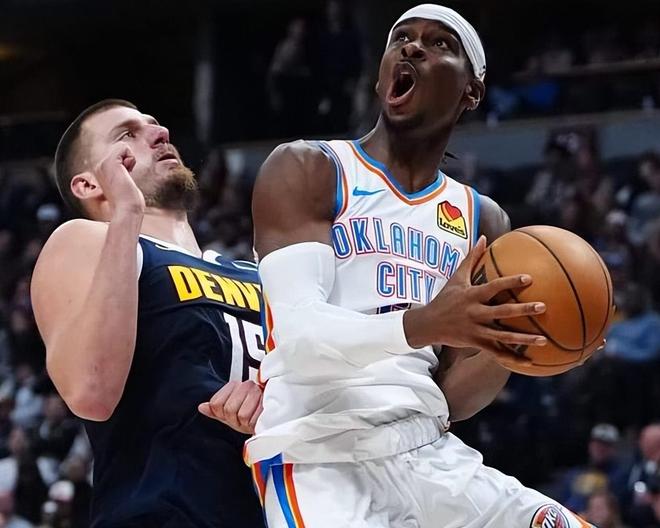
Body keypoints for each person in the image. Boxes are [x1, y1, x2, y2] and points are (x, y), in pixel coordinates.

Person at [239, 4, 600, 527]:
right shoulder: (310, 167)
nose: (412, 47)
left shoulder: (482, 219)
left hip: (428, 450)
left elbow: (454, 397)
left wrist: (525, 343)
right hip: (321, 453)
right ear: (381, 76)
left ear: (471, 92)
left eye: (439, 44)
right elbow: (298, 335)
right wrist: (426, 322)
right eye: (401, 38)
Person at [30, 100, 266, 527]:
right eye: (127, 134)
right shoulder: (84, 240)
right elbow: (91, 390)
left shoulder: (254, 271)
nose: (160, 134)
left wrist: (273, 400)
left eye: (155, 126)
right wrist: (127, 212)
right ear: (88, 183)